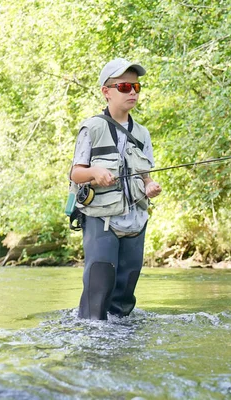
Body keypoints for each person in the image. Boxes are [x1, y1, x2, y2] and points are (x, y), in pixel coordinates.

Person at [69, 57, 162, 320]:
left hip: (136, 219)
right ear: (106, 91)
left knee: (125, 291)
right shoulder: (92, 128)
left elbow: (145, 175)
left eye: (136, 87)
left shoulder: (142, 133)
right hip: (101, 218)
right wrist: (95, 173)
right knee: (99, 286)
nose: (132, 92)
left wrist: (150, 186)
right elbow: (76, 172)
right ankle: (93, 337)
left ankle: (120, 340)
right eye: (124, 87)